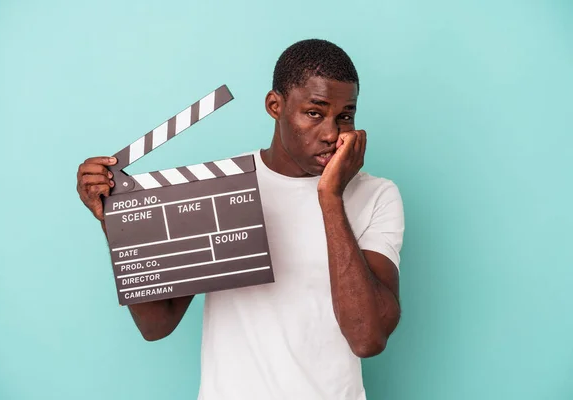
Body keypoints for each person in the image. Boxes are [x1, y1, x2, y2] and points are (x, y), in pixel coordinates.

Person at [77, 39, 405, 400]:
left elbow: (367, 337)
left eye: (345, 116)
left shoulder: (377, 195)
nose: (331, 133)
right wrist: (117, 222)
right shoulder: (220, 189)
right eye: (315, 112)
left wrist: (329, 197)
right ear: (275, 106)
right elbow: (157, 324)